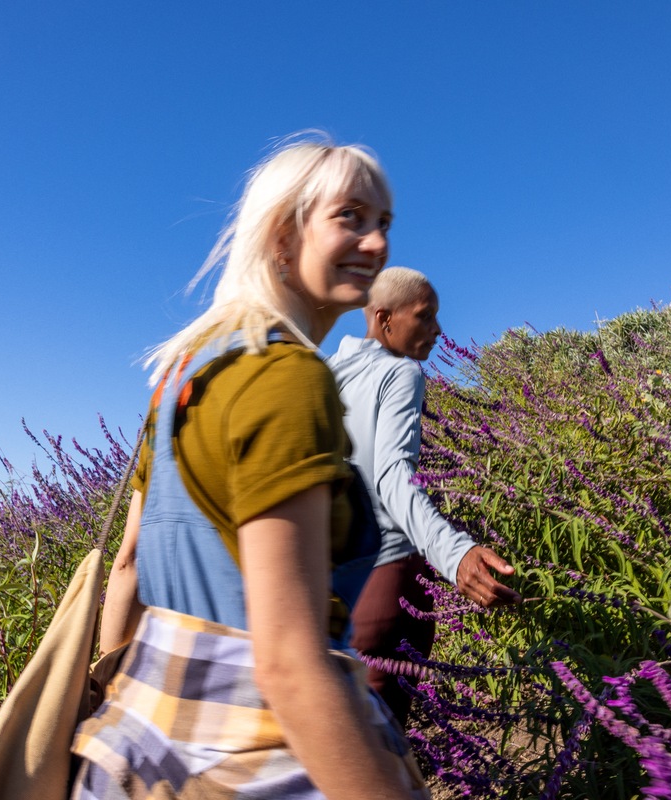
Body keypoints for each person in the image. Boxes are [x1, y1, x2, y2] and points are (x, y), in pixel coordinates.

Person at [72, 138, 430, 800]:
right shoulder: (287, 379)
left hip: (135, 745)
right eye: (349, 216)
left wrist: (110, 706)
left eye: (383, 222)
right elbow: (289, 666)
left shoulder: (186, 373)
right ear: (283, 235)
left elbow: (127, 570)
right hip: (248, 755)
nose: (377, 243)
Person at [328, 266, 521, 726]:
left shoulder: (323, 373)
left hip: (327, 584)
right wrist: (455, 553)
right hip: (386, 581)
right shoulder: (401, 373)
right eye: (425, 316)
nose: (437, 330)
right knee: (379, 748)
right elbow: (392, 476)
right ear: (384, 319)